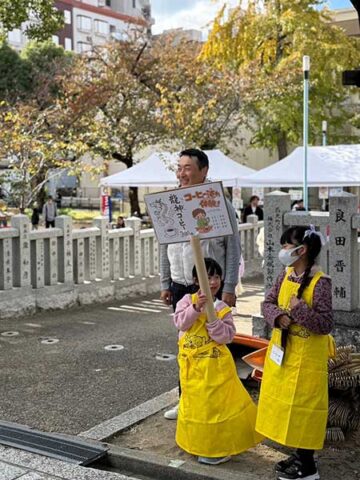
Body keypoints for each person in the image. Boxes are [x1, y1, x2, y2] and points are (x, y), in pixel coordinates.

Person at [160, 148, 241, 419]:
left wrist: (229, 286)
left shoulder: (217, 201)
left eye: (187, 167)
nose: (182, 173)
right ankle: (185, 399)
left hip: (211, 287)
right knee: (186, 344)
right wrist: (165, 282)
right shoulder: (171, 201)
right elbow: (165, 243)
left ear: (204, 170)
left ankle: (215, 403)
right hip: (181, 285)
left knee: (212, 345)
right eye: (179, 167)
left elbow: (233, 247)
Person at [256, 225, 334, 480]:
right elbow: (266, 303)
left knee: (305, 410)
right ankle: (299, 455)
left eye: (287, 245)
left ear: (303, 249)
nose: (283, 250)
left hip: (307, 360)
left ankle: (308, 466)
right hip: (283, 354)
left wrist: (299, 310)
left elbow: (325, 325)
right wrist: (278, 317)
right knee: (284, 405)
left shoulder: (321, 283)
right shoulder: (285, 274)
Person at [174, 258, 263, 465]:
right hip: (192, 367)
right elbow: (180, 323)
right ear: (197, 280)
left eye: (216, 277)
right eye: (207, 277)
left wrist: (214, 323)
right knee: (196, 407)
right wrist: (196, 308)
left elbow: (227, 337)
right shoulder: (187, 300)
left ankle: (217, 448)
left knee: (216, 408)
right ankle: (195, 443)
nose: (212, 282)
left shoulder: (222, 307)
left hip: (216, 368)